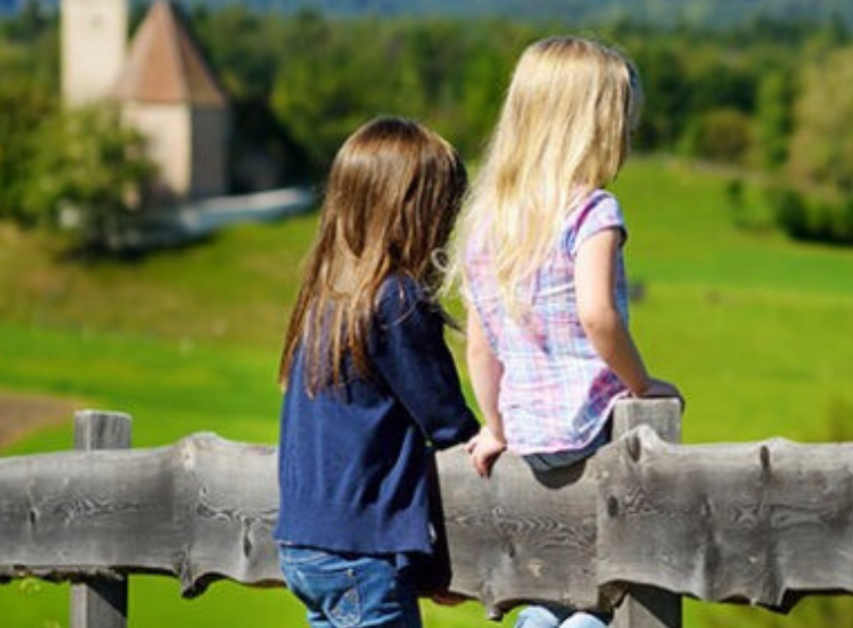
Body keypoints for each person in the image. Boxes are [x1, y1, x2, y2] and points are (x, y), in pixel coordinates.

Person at [447, 37, 683, 628]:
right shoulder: (592, 211)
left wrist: (496, 426)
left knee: (554, 579)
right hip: (590, 424)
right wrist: (642, 385)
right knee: (619, 577)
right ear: (597, 128)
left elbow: (480, 344)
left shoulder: (489, 221)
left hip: (529, 436)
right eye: (624, 123)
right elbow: (598, 315)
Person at [274, 116, 481, 628]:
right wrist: (487, 443)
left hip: (304, 544)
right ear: (415, 213)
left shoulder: (325, 302)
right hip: (360, 557)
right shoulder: (396, 301)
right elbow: (447, 423)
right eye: (445, 207)